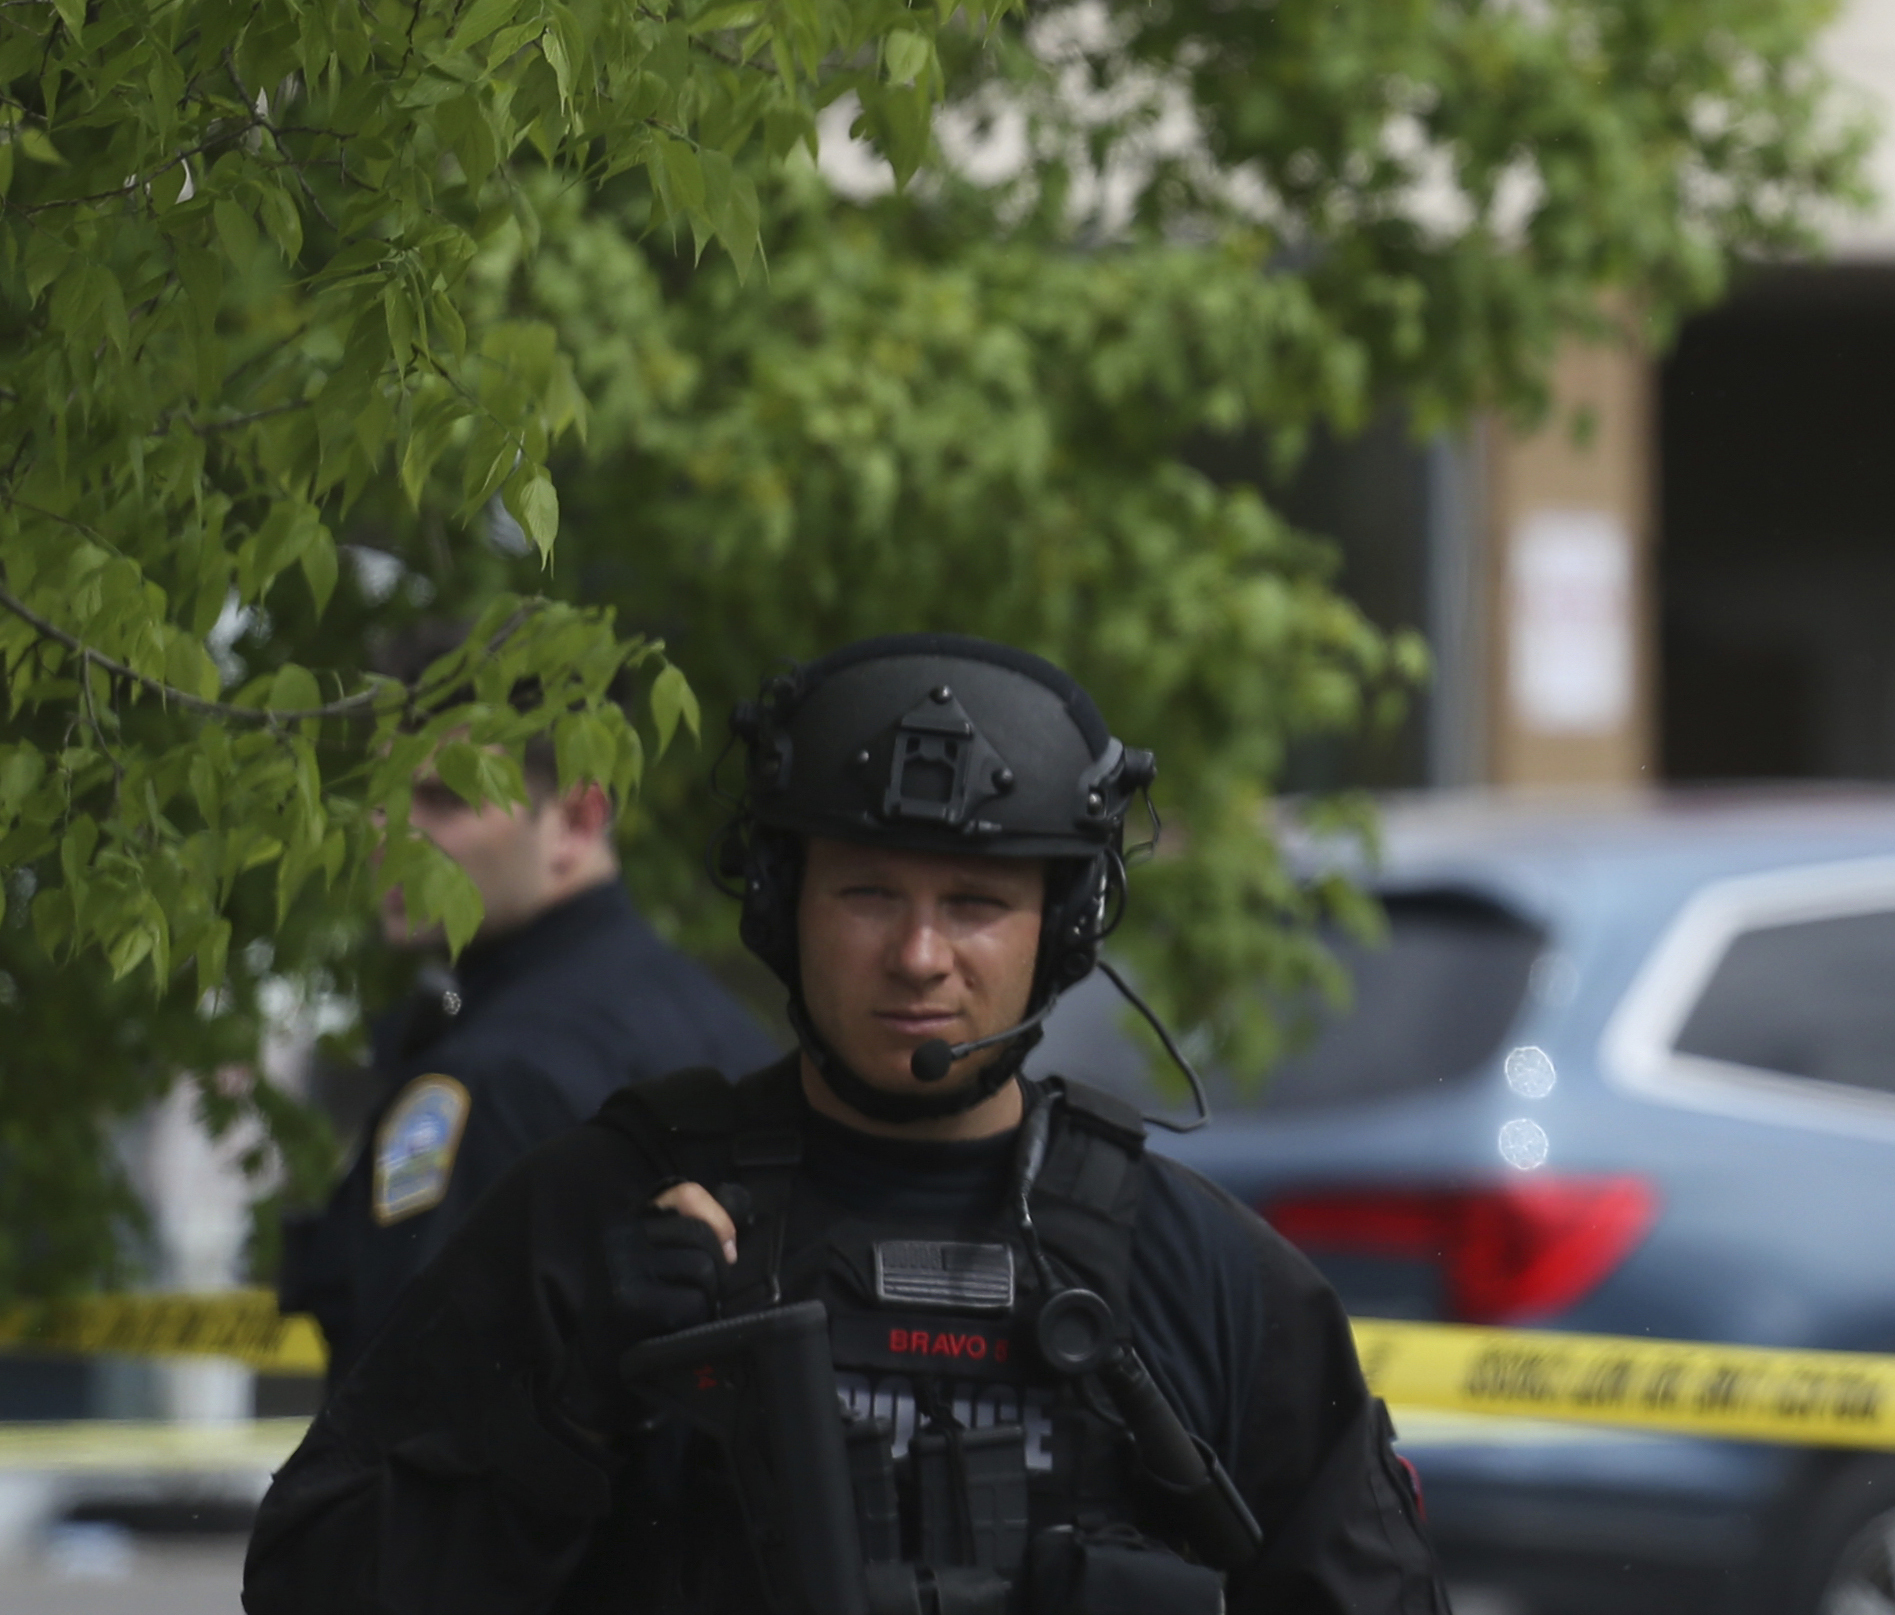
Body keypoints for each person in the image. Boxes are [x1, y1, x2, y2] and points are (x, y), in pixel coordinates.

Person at [247, 632, 1448, 1615]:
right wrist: (562, 1407)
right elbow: (316, 1585)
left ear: (1062, 928)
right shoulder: (599, 1219)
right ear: (785, 904)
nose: (918, 955)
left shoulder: (1201, 1277)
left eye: (974, 902)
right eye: (867, 891)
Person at [278, 623, 778, 1384]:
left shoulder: (495, 1076)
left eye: (441, 799)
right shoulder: (723, 1030)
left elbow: (412, 1406)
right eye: (381, 795)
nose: (387, 833)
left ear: (577, 818)